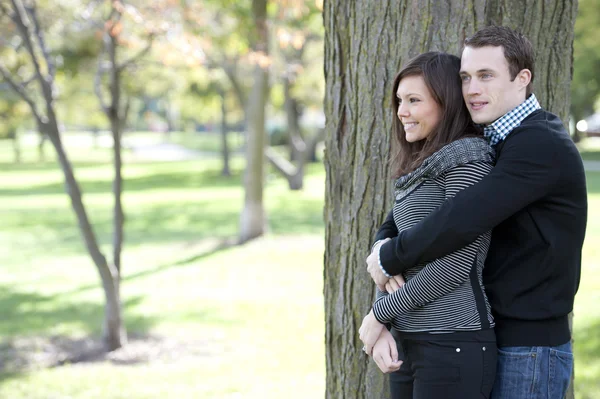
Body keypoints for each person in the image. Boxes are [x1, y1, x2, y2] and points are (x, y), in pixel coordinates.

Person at [366, 26, 587, 399]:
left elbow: (461, 219)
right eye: (466, 77)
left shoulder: (539, 143)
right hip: (488, 335)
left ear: (522, 79)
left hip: (528, 349)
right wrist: (380, 247)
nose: (472, 89)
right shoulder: (491, 138)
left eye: (486, 76)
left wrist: (389, 259)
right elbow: (404, 210)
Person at [358, 51, 497, 398]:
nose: (401, 111)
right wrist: (385, 326)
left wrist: (379, 314)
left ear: (446, 103)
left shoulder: (469, 160)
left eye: (414, 100)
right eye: (400, 101)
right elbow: (391, 246)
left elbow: (454, 265)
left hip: (453, 342)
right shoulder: (419, 169)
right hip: (408, 341)